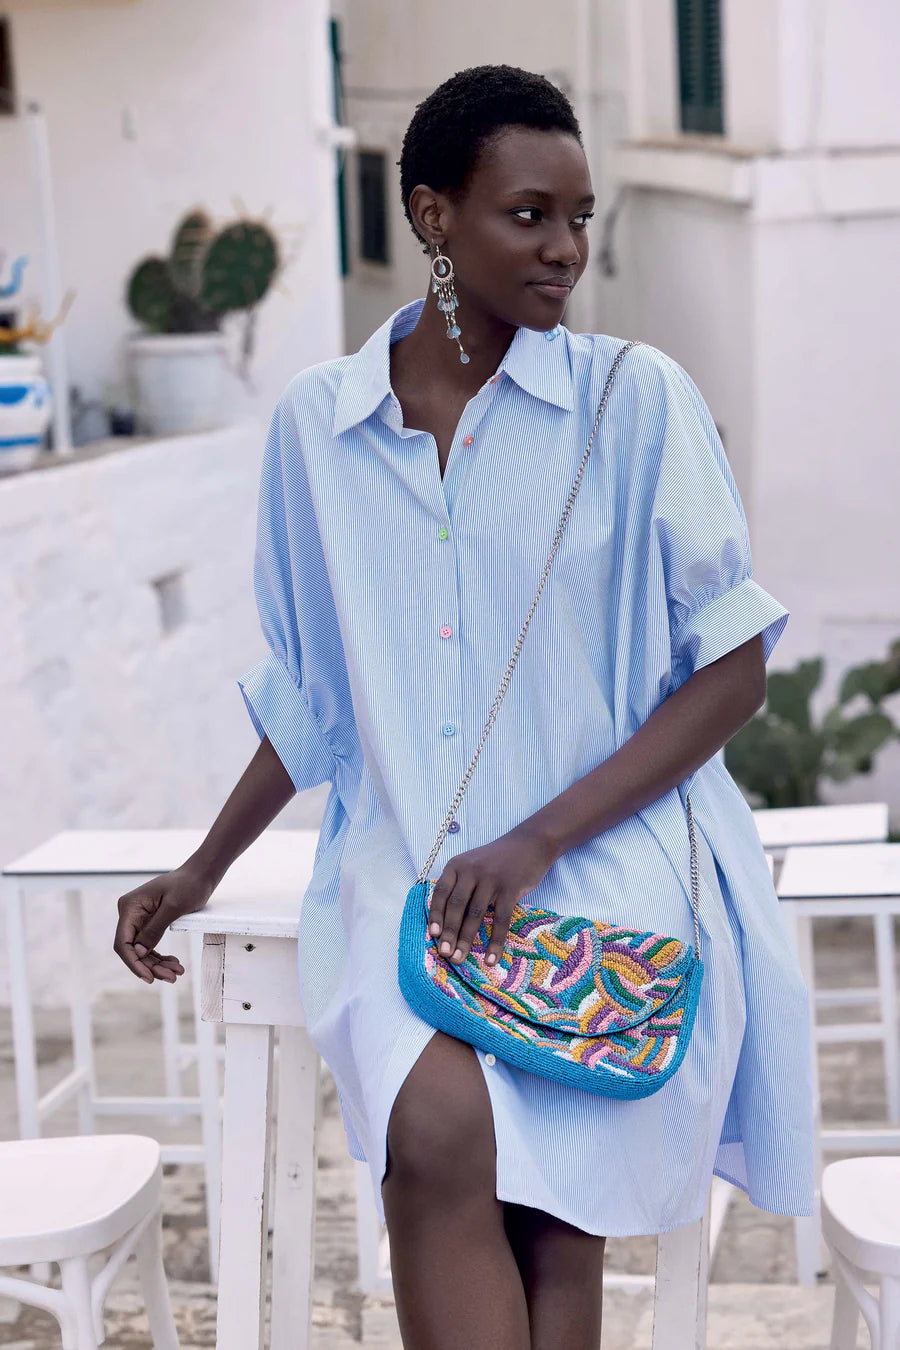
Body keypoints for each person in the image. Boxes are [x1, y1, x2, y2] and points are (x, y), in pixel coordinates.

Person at [114, 63, 815, 1350]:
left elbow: (732, 671)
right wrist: (202, 868)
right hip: (408, 862)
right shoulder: (319, 430)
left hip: (606, 853)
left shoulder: (634, 401)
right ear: (434, 216)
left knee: (554, 1204)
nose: (566, 249)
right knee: (434, 1129)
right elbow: (316, 689)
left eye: (580, 217)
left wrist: (537, 840)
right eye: (528, 214)